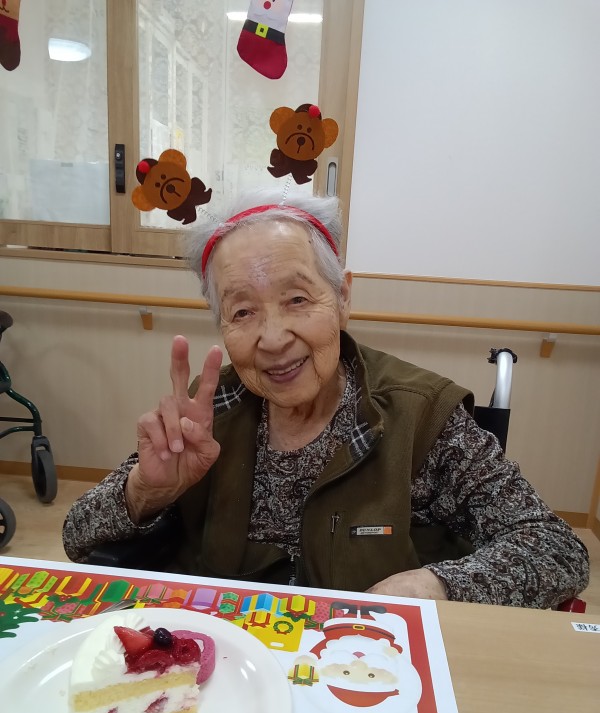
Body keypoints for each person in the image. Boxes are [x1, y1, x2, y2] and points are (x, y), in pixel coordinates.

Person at [62, 190, 589, 608]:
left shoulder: (421, 416)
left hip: (365, 674)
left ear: (342, 297)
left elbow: (557, 549)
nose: (273, 338)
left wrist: (437, 585)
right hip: (225, 670)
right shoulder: (211, 410)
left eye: (297, 299)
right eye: (242, 312)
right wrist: (146, 491)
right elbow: (78, 536)